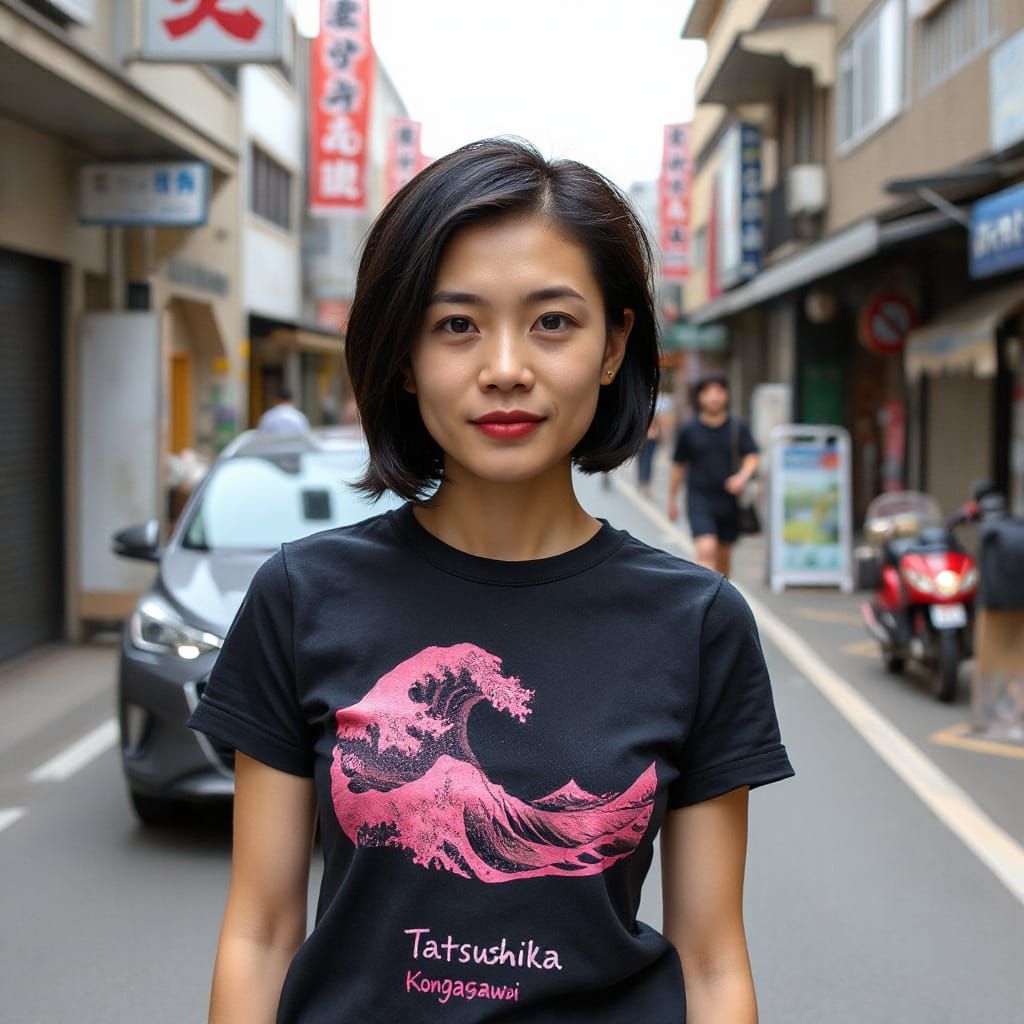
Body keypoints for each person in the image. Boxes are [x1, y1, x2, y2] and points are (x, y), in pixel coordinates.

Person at [188, 139, 793, 1024]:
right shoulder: (301, 596)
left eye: (553, 322)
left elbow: (711, 961)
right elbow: (261, 933)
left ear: (614, 345)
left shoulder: (697, 622)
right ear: (404, 356)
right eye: (456, 325)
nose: (505, 367)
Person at [667, 373, 759, 577]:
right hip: (699, 498)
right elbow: (678, 466)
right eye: (707, 392)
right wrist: (672, 500)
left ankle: (722, 592)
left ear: (726, 394)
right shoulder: (688, 429)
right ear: (699, 396)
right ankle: (708, 594)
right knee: (706, 547)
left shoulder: (737, 427)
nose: (714, 397)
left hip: (729, 500)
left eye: (719, 391)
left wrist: (742, 477)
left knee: (724, 557)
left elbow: (752, 456)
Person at [636, 388, 675, 497]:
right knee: (642, 460)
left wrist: (662, 435)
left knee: (647, 460)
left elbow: (663, 421)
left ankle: (644, 483)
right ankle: (642, 482)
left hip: (651, 436)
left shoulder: (659, 402)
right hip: (641, 437)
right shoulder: (641, 400)